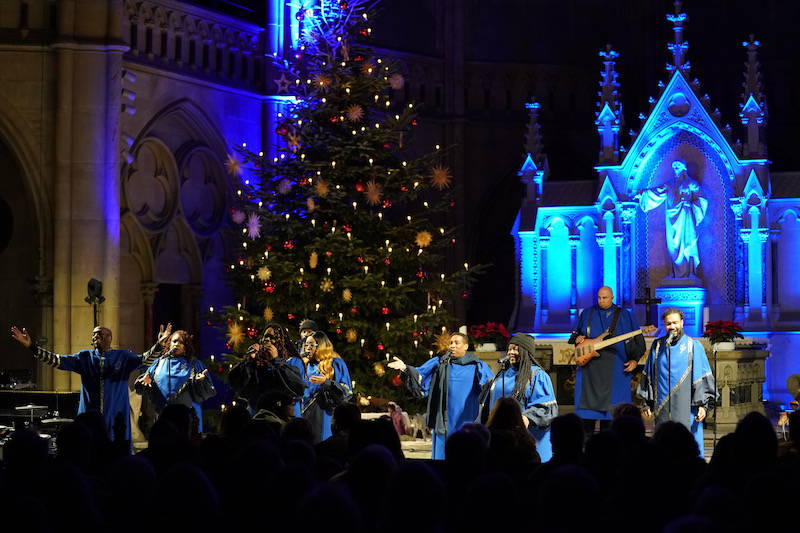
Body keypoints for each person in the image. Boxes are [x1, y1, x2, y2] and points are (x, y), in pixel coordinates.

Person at [10, 323, 172, 443]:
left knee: (115, 454)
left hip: (115, 418)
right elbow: (56, 360)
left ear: (110, 338)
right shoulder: (84, 357)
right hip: (89, 419)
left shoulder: (123, 357)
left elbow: (145, 360)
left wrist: (158, 345)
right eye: (94, 334)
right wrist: (32, 347)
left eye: (100, 334)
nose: (96, 336)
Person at [389, 332, 494, 459]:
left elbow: (490, 385)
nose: (452, 346)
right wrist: (405, 368)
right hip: (444, 419)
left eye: (457, 343)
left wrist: (486, 385)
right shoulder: (440, 363)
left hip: (466, 418)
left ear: (466, 346)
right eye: (451, 343)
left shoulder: (476, 365)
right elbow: (420, 373)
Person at [637, 308, 717, 455]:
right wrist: (646, 403)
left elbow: (704, 377)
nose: (672, 327)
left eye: (675, 323)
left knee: (688, 452)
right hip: (662, 409)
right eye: (668, 324)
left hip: (688, 410)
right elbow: (648, 374)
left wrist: (704, 406)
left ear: (682, 322)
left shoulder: (694, 346)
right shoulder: (657, 346)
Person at [568, 286, 645, 435]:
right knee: (586, 416)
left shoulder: (624, 315)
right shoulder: (587, 313)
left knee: (613, 415)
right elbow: (574, 335)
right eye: (599, 297)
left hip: (616, 369)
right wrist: (577, 338)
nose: (601, 300)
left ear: (612, 298)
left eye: (605, 298)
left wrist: (634, 360)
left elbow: (638, 341)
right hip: (589, 370)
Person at [479, 333, 557, 460]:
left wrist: (525, 418)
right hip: (501, 440)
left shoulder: (537, 375)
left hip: (529, 438)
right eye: (509, 349)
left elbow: (546, 408)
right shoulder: (501, 375)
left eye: (515, 348)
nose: (511, 352)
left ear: (526, 352)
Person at [636, 159, 708, 278]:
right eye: (674, 166)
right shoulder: (669, 184)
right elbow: (657, 193)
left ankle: (691, 272)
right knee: (673, 246)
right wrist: (643, 194)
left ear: (684, 168)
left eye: (678, 166)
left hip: (686, 215)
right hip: (672, 218)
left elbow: (702, 197)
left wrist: (692, 204)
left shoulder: (690, 183)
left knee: (689, 241)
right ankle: (674, 273)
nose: (675, 168)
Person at [135, 330, 215, 432]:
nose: (177, 344)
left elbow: (207, 390)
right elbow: (141, 387)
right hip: (162, 416)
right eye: (175, 341)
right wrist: (145, 382)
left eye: (181, 342)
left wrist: (199, 381)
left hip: (185, 417)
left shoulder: (193, 363)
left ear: (186, 346)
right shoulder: (159, 362)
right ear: (169, 344)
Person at [228, 323, 306, 413]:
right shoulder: (258, 362)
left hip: (285, 416)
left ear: (282, 340)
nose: (267, 339)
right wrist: (249, 361)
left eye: (272, 337)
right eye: (265, 337)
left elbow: (296, 388)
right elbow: (236, 383)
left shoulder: (293, 361)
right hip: (259, 415)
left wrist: (276, 360)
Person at [299, 331, 352, 443]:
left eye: (311, 345)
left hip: (325, 416)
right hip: (304, 415)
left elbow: (346, 393)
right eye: (306, 345)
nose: (308, 348)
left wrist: (327, 383)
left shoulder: (336, 363)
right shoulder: (304, 365)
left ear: (321, 346)